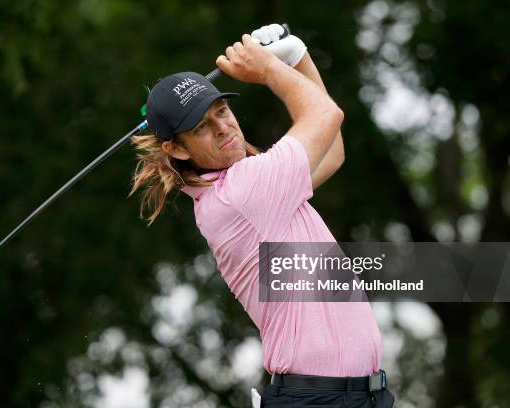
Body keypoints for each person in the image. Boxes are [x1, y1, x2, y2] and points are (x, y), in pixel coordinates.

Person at [131, 24, 394, 407]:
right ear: (179, 149)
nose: (223, 127)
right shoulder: (240, 194)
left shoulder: (257, 187)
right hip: (319, 400)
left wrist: (295, 57)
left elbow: (332, 149)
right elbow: (326, 114)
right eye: (202, 127)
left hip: (360, 396)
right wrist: (273, 68)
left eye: (222, 111)